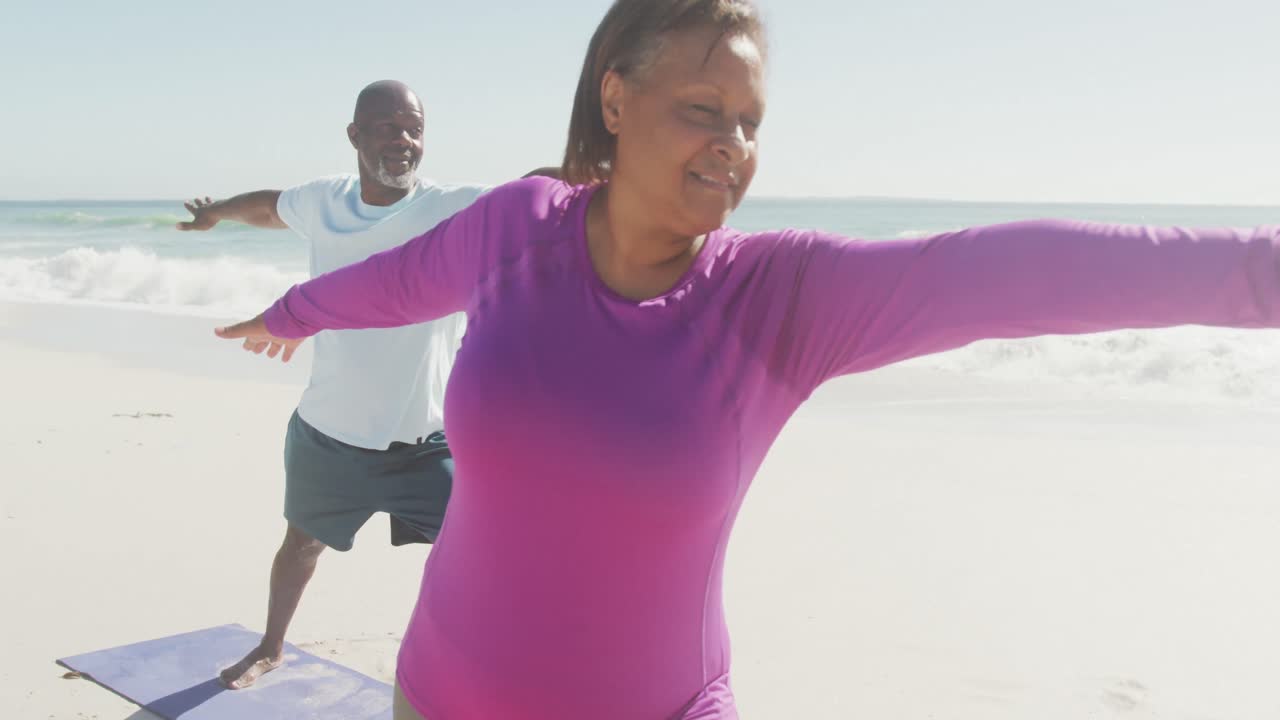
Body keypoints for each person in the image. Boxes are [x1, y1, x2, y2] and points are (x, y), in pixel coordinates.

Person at [214, 1, 1280, 718]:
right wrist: (296, 310)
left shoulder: (780, 298)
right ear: (615, 101)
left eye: (749, 122)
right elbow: (401, 279)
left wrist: (1263, 272)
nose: (732, 144)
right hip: (435, 695)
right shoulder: (515, 227)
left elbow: (1023, 273)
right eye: (700, 110)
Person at [177, 80, 496, 689]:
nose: (403, 141)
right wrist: (215, 213)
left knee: (479, 554)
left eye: (414, 129)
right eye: (386, 127)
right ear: (354, 135)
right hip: (331, 432)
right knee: (300, 546)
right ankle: (270, 646)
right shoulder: (325, 200)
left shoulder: (455, 206)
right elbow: (269, 207)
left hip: (428, 442)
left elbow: (534, 197)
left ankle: (477, 662)